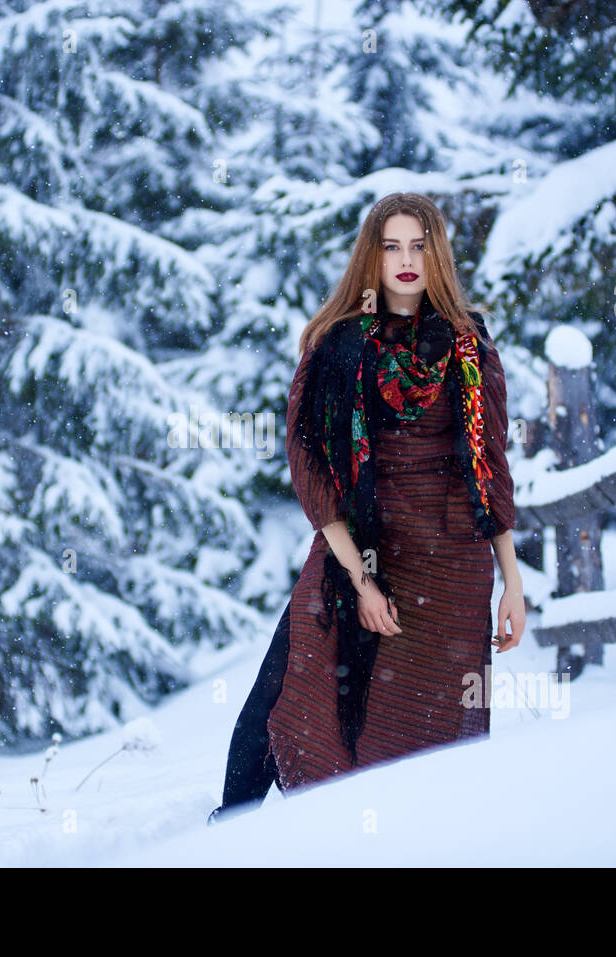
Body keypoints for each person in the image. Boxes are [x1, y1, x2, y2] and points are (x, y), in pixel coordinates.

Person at [209, 193, 525, 825]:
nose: (406, 261)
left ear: (436, 255)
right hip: (362, 545)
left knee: (429, 726)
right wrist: (359, 576)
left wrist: (513, 582)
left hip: (450, 565)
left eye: (418, 246)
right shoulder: (338, 346)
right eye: (391, 247)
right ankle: (230, 836)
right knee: (286, 688)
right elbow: (312, 467)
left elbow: (488, 470)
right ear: (371, 258)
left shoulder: (469, 346)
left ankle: (415, 843)